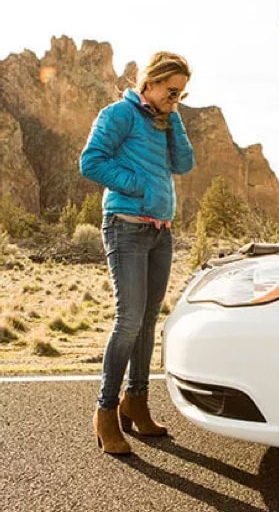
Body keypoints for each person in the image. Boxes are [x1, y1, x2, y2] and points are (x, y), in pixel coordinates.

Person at [79, 51, 195, 454]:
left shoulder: (167, 120)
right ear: (150, 82)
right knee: (128, 320)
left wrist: (173, 117)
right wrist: (138, 186)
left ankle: (137, 401)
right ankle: (106, 411)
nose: (176, 98)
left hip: (160, 233)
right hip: (125, 227)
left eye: (181, 93)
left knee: (148, 322)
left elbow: (185, 164)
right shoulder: (118, 115)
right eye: (171, 90)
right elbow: (91, 162)